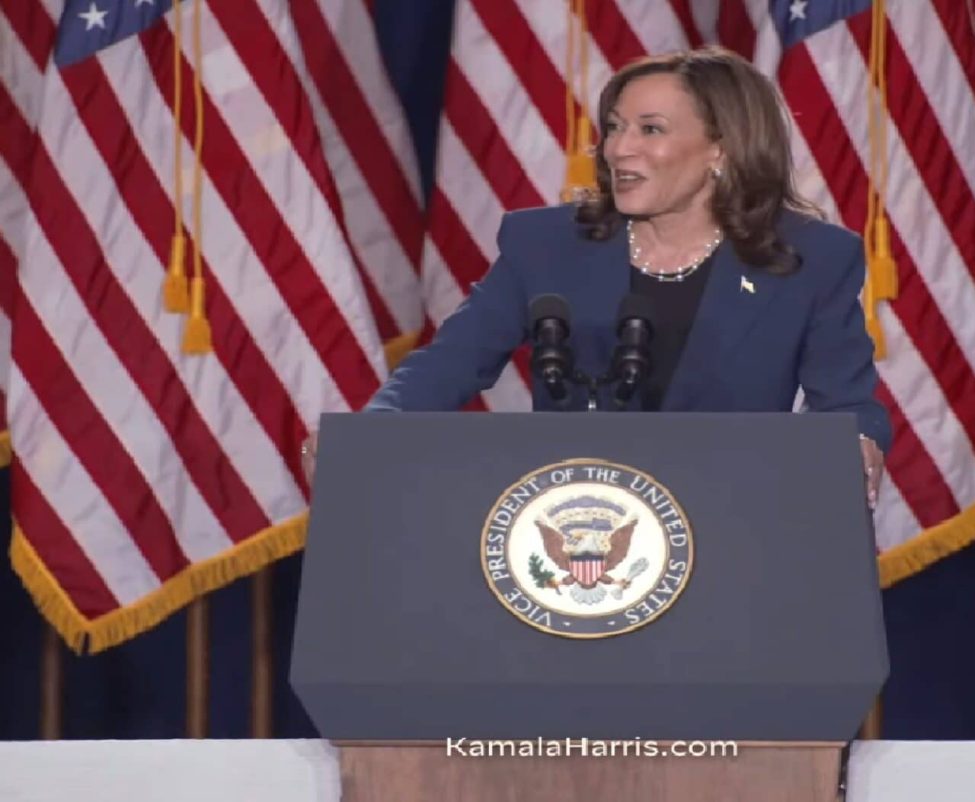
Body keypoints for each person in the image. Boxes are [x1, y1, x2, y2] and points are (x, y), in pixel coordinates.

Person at [303, 45, 890, 507]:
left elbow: (846, 402)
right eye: (614, 127)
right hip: (577, 526)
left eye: (650, 130)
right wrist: (374, 430)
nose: (617, 149)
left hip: (734, 519)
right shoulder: (547, 245)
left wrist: (858, 443)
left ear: (722, 148)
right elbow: (452, 361)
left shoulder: (811, 259)